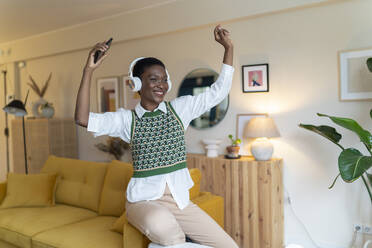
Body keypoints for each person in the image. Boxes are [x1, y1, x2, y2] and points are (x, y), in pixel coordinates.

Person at [74, 24, 238, 248]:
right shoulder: (127, 120)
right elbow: (82, 118)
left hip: (179, 202)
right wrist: (88, 71)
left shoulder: (181, 109)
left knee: (229, 246)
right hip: (143, 202)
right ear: (138, 84)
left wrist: (228, 48)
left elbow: (218, 91)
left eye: (163, 79)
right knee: (171, 235)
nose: (161, 85)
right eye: (153, 79)